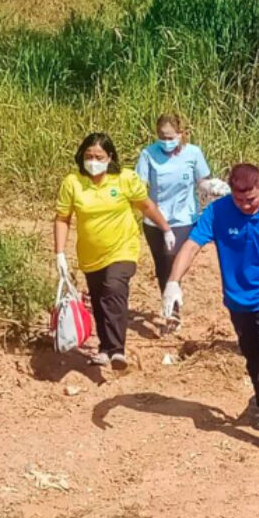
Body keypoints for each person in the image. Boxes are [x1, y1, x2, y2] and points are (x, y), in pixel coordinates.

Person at [161, 164, 259, 457]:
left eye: (251, 199)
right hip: (237, 300)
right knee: (254, 359)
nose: (245, 205)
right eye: (239, 199)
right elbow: (192, 246)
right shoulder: (217, 212)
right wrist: (173, 282)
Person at [54, 132, 173, 369]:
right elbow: (62, 218)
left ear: (110, 157)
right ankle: (105, 349)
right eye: (89, 155)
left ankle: (117, 350)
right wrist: (59, 253)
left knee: (114, 287)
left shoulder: (125, 179)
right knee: (99, 300)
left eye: (99, 156)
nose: (94, 161)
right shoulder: (73, 183)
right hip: (90, 254)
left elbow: (146, 206)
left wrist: (165, 229)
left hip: (123, 248)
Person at [135, 113, 229, 326]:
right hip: (155, 219)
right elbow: (139, 188)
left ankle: (172, 312)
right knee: (161, 265)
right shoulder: (148, 155)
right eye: (161, 136)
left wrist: (213, 187)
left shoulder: (193, 154)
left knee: (171, 257)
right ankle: (168, 299)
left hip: (183, 217)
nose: (166, 142)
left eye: (170, 137)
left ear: (180, 134)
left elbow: (201, 182)